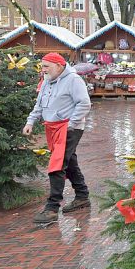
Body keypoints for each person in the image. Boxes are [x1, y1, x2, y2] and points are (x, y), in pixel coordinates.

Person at [24, 52, 92, 224]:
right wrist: (30, 122)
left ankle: (52, 207)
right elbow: (39, 105)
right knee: (69, 161)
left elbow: (84, 103)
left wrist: (71, 124)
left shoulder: (74, 80)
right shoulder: (46, 81)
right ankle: (82, 196)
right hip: (52, 127)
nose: (43, 69)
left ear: (59, 66)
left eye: (46, 66)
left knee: (57, 164)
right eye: (42, 66)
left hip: (68, 127)